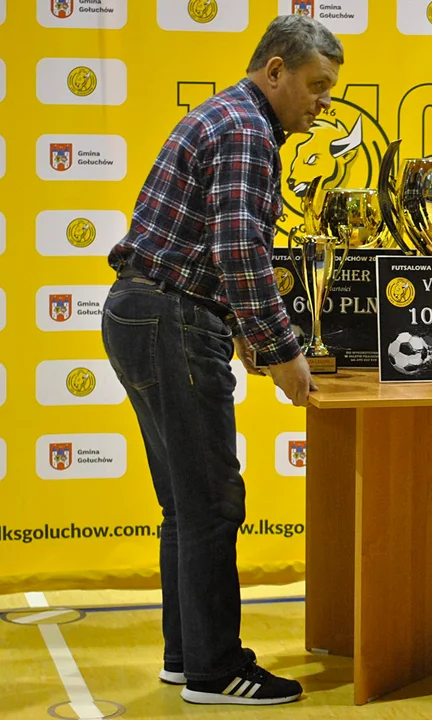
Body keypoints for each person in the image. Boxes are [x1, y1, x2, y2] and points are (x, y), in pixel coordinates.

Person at [101, 14, 344, 706]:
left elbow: (213, 248)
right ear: (275, 70)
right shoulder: (246, 130)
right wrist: (282, 350)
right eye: (315, 85)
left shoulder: (229, 116)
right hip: (172, 318)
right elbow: (240, 252)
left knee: (185, 504)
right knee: (211, 502)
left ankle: (187, 657)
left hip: (144, 311)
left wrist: (241, 330)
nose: (323, 101)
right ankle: (214, 670)